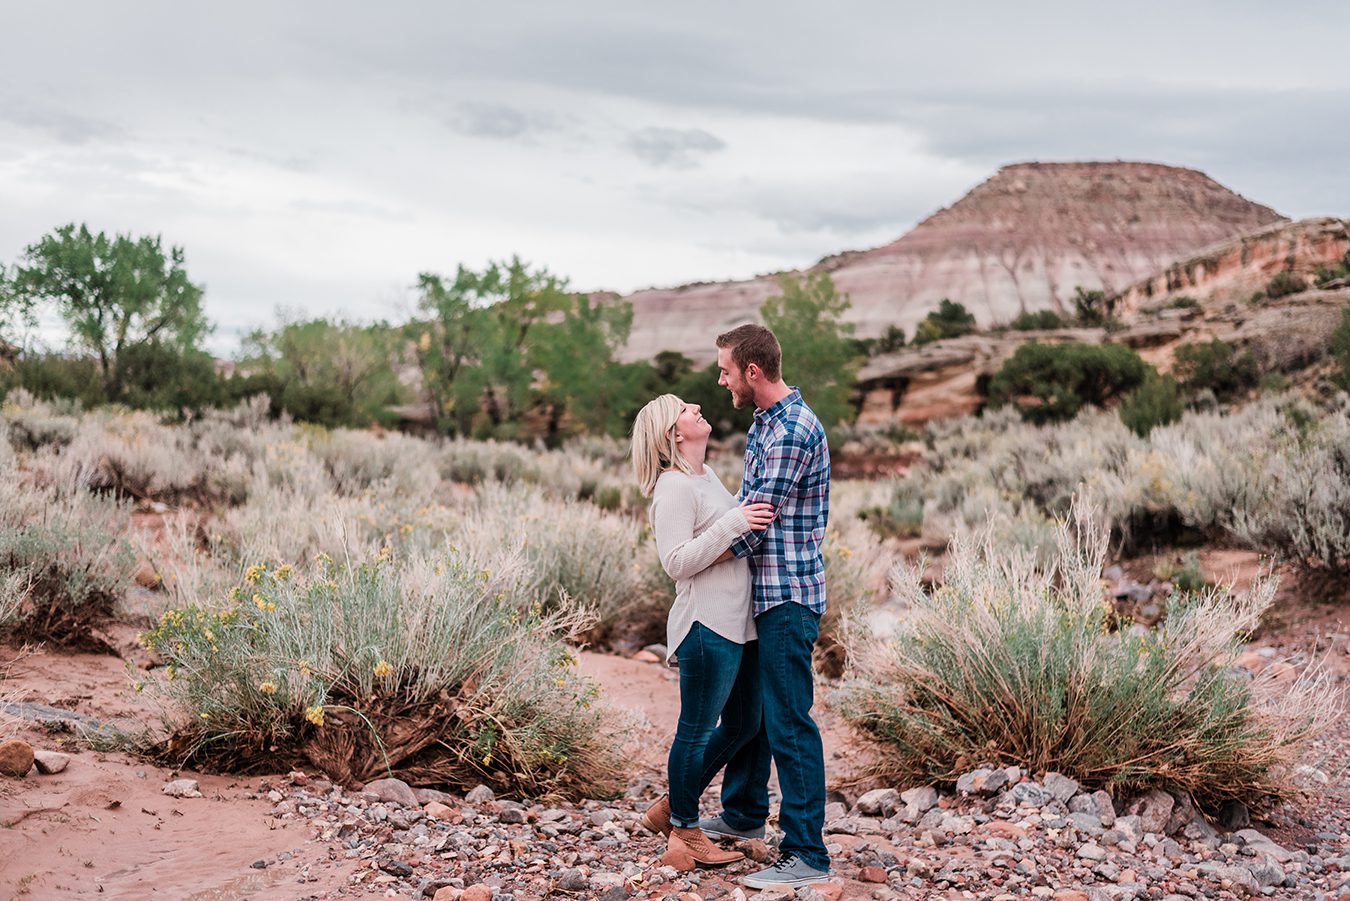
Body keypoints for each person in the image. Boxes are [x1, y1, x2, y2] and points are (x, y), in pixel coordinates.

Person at [698, 323, 832, 889]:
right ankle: (745, 814)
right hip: (760, 594)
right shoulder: (766, 424)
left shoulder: (793, 430)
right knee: (749, 715)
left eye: (727, 370)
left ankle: (807, 854)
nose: (721, 379)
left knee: (788, 722)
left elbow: (755, 523)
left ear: (753, 372)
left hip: (786, 595)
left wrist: (692, 558)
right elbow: (745, 510)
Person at [630, 393, 775, 868]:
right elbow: (676, 563)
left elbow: (722, 545)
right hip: (704, 625)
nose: (696, 407)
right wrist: (733, 523)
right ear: (675, 433)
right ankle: (686, 831)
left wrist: (736, 528)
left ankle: (674, 804)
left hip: (737, 622)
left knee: (744, 724)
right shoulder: (674, 487)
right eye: (685, 409)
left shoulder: (706, 476)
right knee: (695, 731)